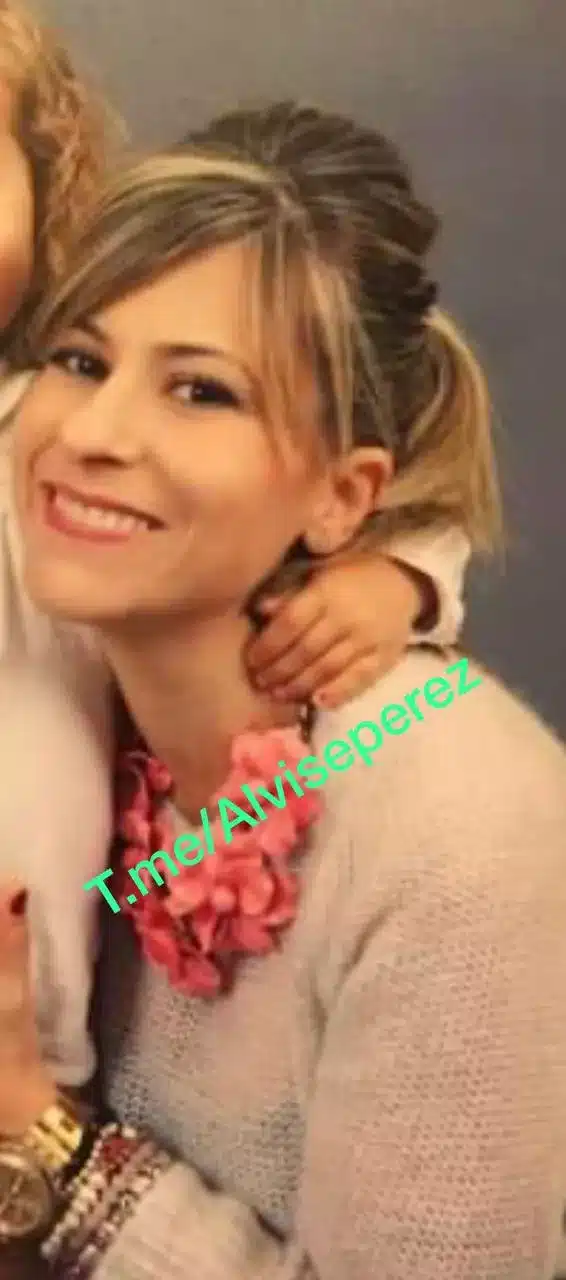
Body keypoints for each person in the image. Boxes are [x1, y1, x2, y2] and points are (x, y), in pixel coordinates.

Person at [2, 99, 565, 1280]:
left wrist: (40, 1136)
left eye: (200, 391)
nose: (93, 430)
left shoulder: (458, 827)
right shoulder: (95, 728)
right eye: (80, 359)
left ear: (342, 496)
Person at [0, 3, 472, 1091]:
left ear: (47, 178)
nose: (106, 413)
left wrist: (399, 580)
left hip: (38, 1055)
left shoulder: (52, 426)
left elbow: (366, 482)